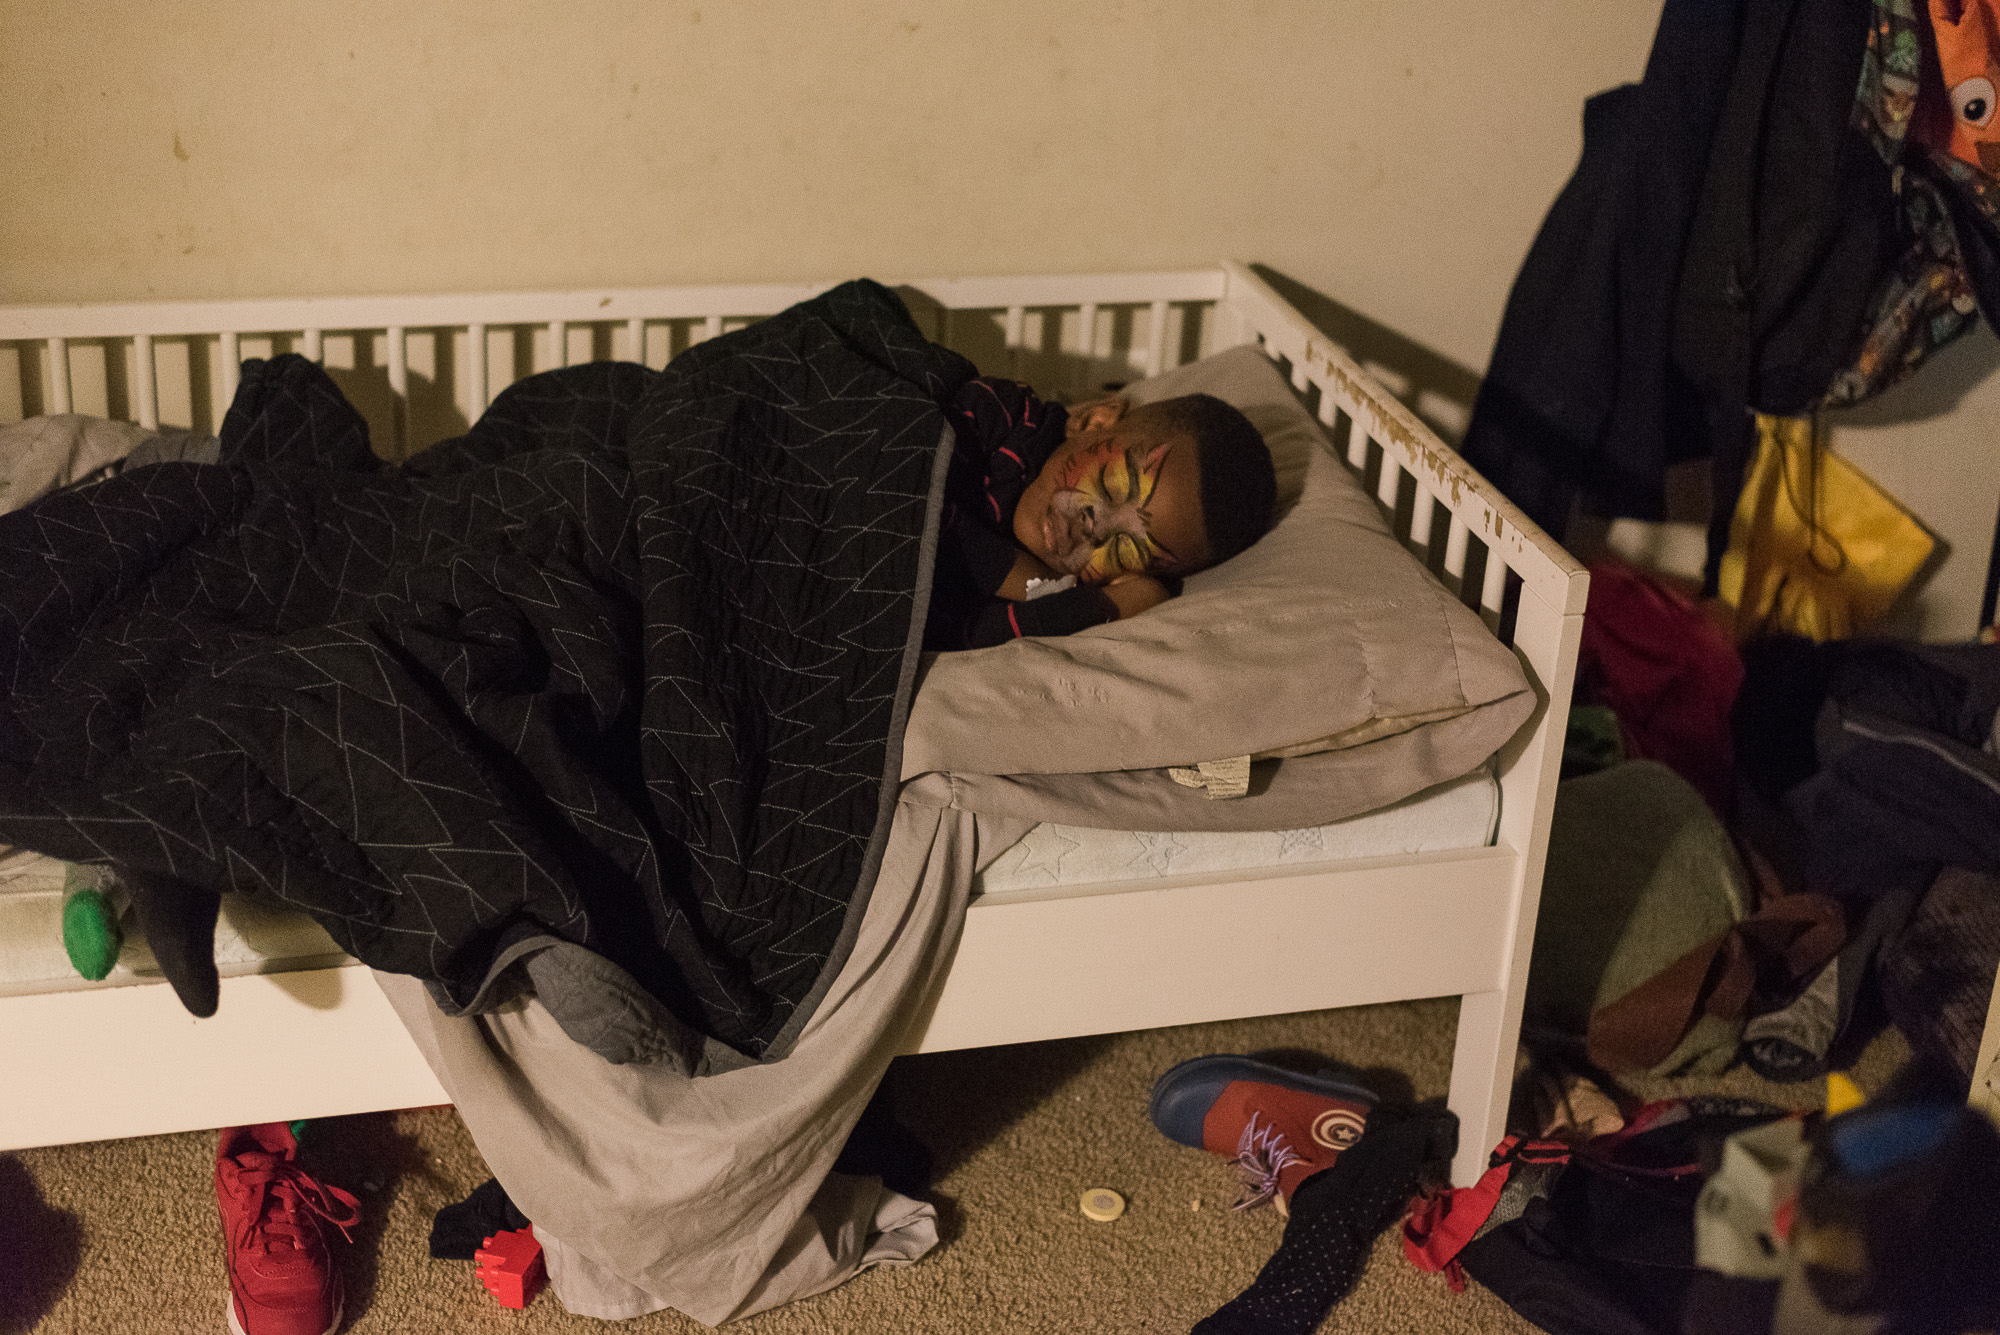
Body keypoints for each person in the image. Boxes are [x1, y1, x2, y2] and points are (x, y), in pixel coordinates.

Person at [927, 378, 1277, 650]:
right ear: (1093, 422)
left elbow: (964, 638)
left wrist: (1112, 604)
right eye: (1109, 489)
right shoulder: (999, 417)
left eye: (1125, 548)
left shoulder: (1081, 587)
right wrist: (1037, 585)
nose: (1093, 531)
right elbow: (912, 505)